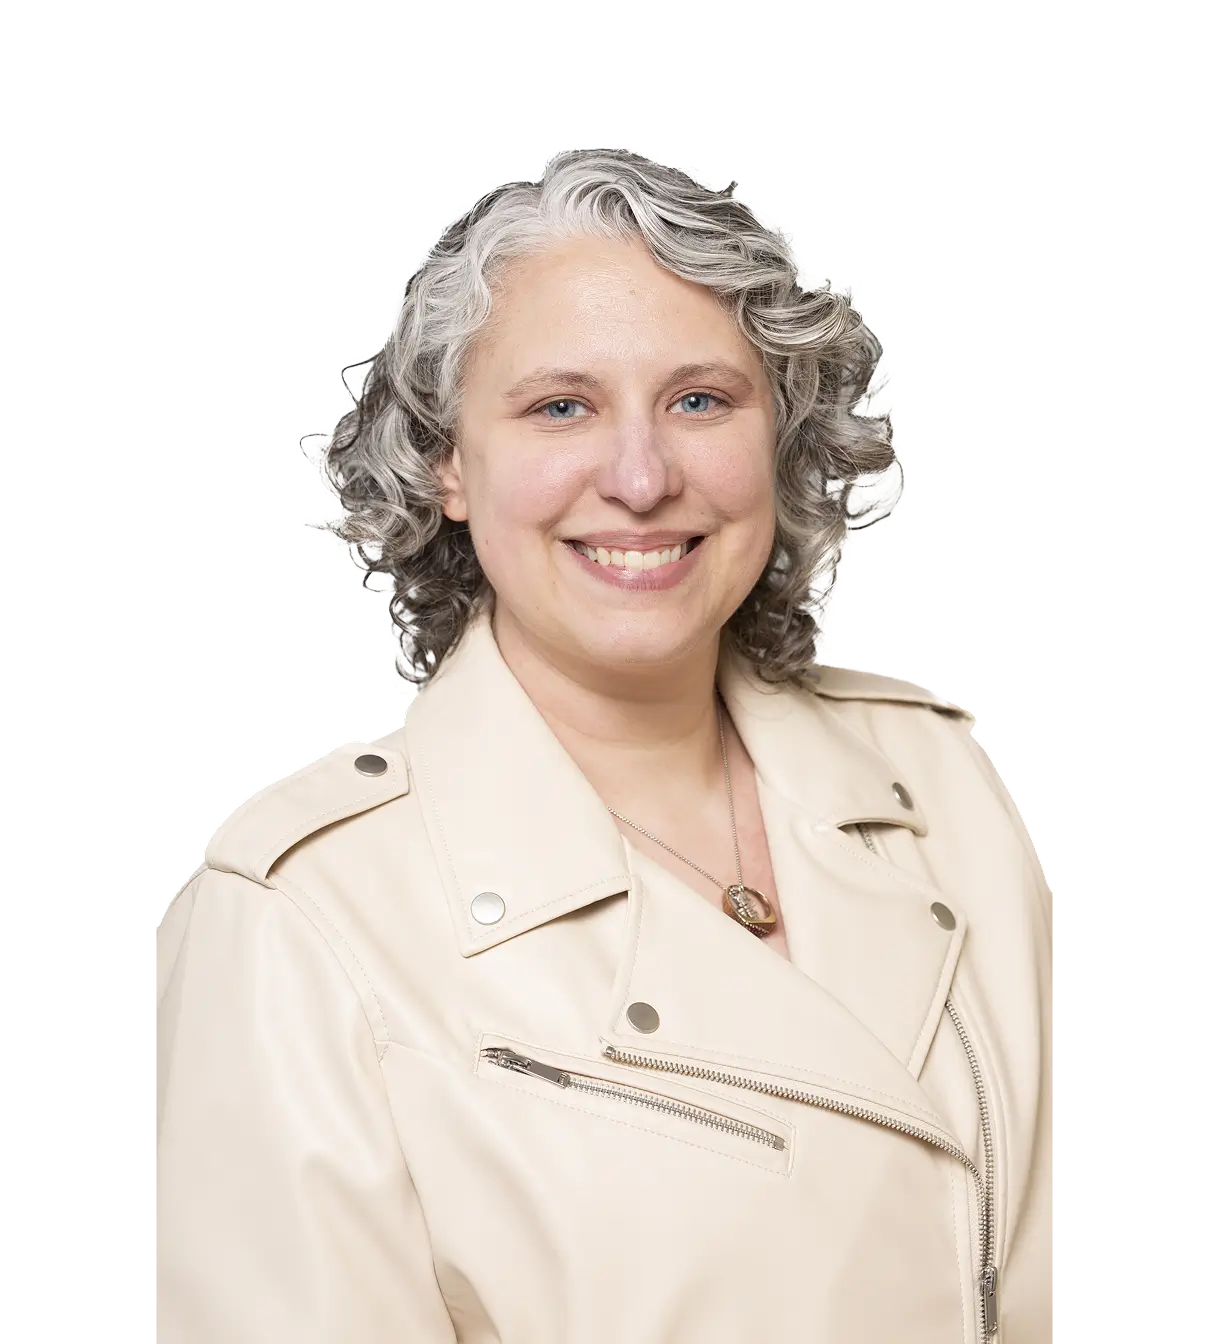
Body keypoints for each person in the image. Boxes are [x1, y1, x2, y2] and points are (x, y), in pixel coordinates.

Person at [153, 145, 1055, 1342]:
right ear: (447, 462)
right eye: (560, 407)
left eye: (700, 400)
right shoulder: (301, 918)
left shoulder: (942, 782)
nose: (640, 477)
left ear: (779, 443)